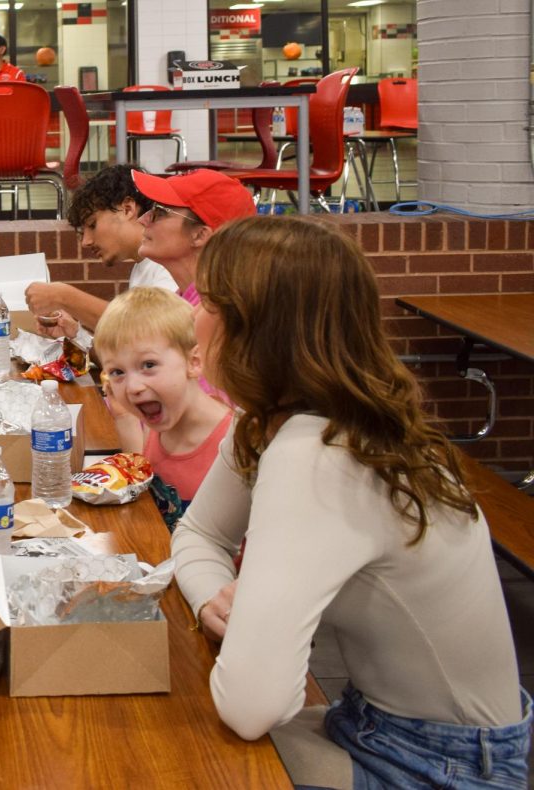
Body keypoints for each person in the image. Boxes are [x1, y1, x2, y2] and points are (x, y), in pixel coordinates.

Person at [172, 216, 530, 787]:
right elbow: (197, 535)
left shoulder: (315, 453)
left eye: (209, 303)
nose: (194, 318)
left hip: (441, 765)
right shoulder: (291, 419)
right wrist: (212, 601)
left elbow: (252, 705)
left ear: (258, 331)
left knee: (166, 758)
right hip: (384, 725)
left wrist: (247, 631)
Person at [94, 286, 231, 511]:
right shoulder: (157, 425)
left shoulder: (233, 444)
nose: (133, 387)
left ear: (193, 362)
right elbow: (141, 471)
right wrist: (123, 418)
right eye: (118, 372)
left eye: (148, 365)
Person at [25, 165, 175, 339]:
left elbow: (149, 331)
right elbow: (133, 349)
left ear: (127, 209)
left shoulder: (169, 263)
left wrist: (64, 297)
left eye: (92, 225)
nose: (86, 242)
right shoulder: (143, 266)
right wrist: (76, 335)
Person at [127, 168, 255, 306]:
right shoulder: (195, 303)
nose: (142, 219)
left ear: (200, 235)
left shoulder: (215, 313)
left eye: (160, 212)